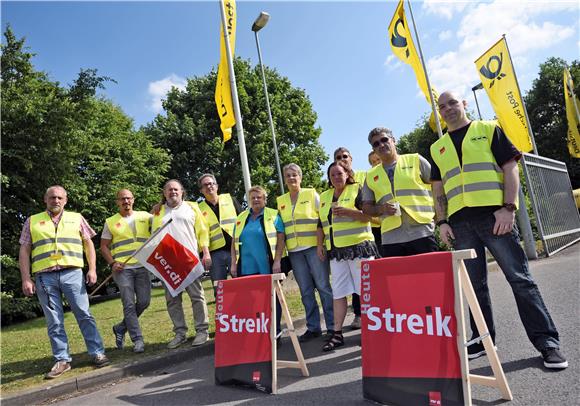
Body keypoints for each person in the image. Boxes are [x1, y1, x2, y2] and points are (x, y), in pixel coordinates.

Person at [430, 90, 568, 369]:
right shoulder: (437, 148)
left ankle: (547, 343)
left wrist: (509, 207)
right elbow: (438, 188)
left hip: (495, 217)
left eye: (453, 103)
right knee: (475, 287)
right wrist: (442, 221)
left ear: (464, 104)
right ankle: (482, 341)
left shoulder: (488, 129)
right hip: (459, 224)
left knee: (520, 279)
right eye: (442, 106)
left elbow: (510, 168)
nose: (448, 109)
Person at [18, 185, 110, 379]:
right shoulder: (32, 221)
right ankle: (62, 360)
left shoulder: (77, 218)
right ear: (45, 199)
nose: (56, 200)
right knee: (54, 320)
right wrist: (26, 278)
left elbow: (89, 245)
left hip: (73, 273)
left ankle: (97, 352)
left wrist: (92, 269)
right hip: (44, 277)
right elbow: (24, 250)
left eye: (60, 197)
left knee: (84, 314)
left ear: (66, 200)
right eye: (52, 197)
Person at [318, 162, 379, 351]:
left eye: (339, 173)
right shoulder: (325, 196)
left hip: (359, 248)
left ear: (347, 174)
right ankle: (337, 334)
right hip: (336, 251)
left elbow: (371, 217)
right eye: (332, 174)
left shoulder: (358, 190)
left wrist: (349, 212)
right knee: (338, 292)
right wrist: (320, 245)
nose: (336, 177)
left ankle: (370, 332)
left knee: (365, 292)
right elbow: (320, 224)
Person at [277, 164, 334, 341]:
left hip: (313, 248)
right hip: (295, 251)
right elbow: (281, 230)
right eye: (288, 175)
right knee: (306, 291)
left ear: (300, 177)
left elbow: (321, 219)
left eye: (294, 175)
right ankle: (313, 327)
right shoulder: (281, 201)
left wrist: (320, 244)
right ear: (285, 179)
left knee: (323, 287)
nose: (291, 178)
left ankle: (333, 326)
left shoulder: (311, 194)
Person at [362, 127, 439, 257]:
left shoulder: (415, 160)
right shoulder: (370, 175)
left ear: (393, 140)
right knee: (398, 278)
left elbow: (437, 187)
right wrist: (382, 209)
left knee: (430, 276)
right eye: (376, 144)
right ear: (373, 150)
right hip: (391, 237)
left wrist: (440, 219)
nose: (381, 145)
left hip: (421, 231)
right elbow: (366, 208)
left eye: (384, 140)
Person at [152, 179, 211, 349]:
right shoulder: (158, 212)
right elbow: (154, 236)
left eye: (176, 189)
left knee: (197, 297)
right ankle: (180, 333)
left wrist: (205, 252)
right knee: (172, 300)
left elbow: (202, 231)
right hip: (168, 264)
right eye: (169, 190)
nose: (173, 192)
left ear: (182, 191)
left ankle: (202, 330)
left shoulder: (192, 207)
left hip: (189, 261)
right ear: (164, 194)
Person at [101, 189, 152, 353]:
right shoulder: (110, 222)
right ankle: (138, 340)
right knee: (129, 304)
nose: (126, 201)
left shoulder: (145, 216)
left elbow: (161, 220)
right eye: (122, 199)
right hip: (122, 270)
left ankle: (120, 328)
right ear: (117, 202)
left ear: (133, 200)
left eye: (128, 198)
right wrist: (112, 262)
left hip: (142, 267)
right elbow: (103, 246)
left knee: (144, 302)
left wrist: (159, 206)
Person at [231, 186, 286, 335]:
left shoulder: (273, 215)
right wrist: (233, 264)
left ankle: (275, 333)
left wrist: (277, 261)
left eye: (259, 197)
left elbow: (281, 238)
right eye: (253, 197)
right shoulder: (241, 217)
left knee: (272, 300)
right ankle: (257, 335)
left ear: (264, 199)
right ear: (249, 200)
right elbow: (234, 241)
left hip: (267, 266)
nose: (256, 200)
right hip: (246, 267)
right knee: (251, 302)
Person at [333, 148, 367, 330]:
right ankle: (358, 315)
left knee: (365, 284)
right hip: (343, 244)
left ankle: (370, 319)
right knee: (354, 284)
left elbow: (368, 210)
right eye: (338, 158)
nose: (342, 159)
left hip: (366, 236)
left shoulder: (362, 177)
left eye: (344, 157)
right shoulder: (331, 190)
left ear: (351, 159)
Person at [197, 174, 242, 290]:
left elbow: (243, 220)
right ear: (201, 190)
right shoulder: (198, 209)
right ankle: (224, 308)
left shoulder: (231, 200)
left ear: (216, 186)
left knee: (242, 284)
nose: (209, 186)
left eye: (211, 183)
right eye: (205, 185)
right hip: (214, 254)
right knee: (220, 289)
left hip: (236, 249)